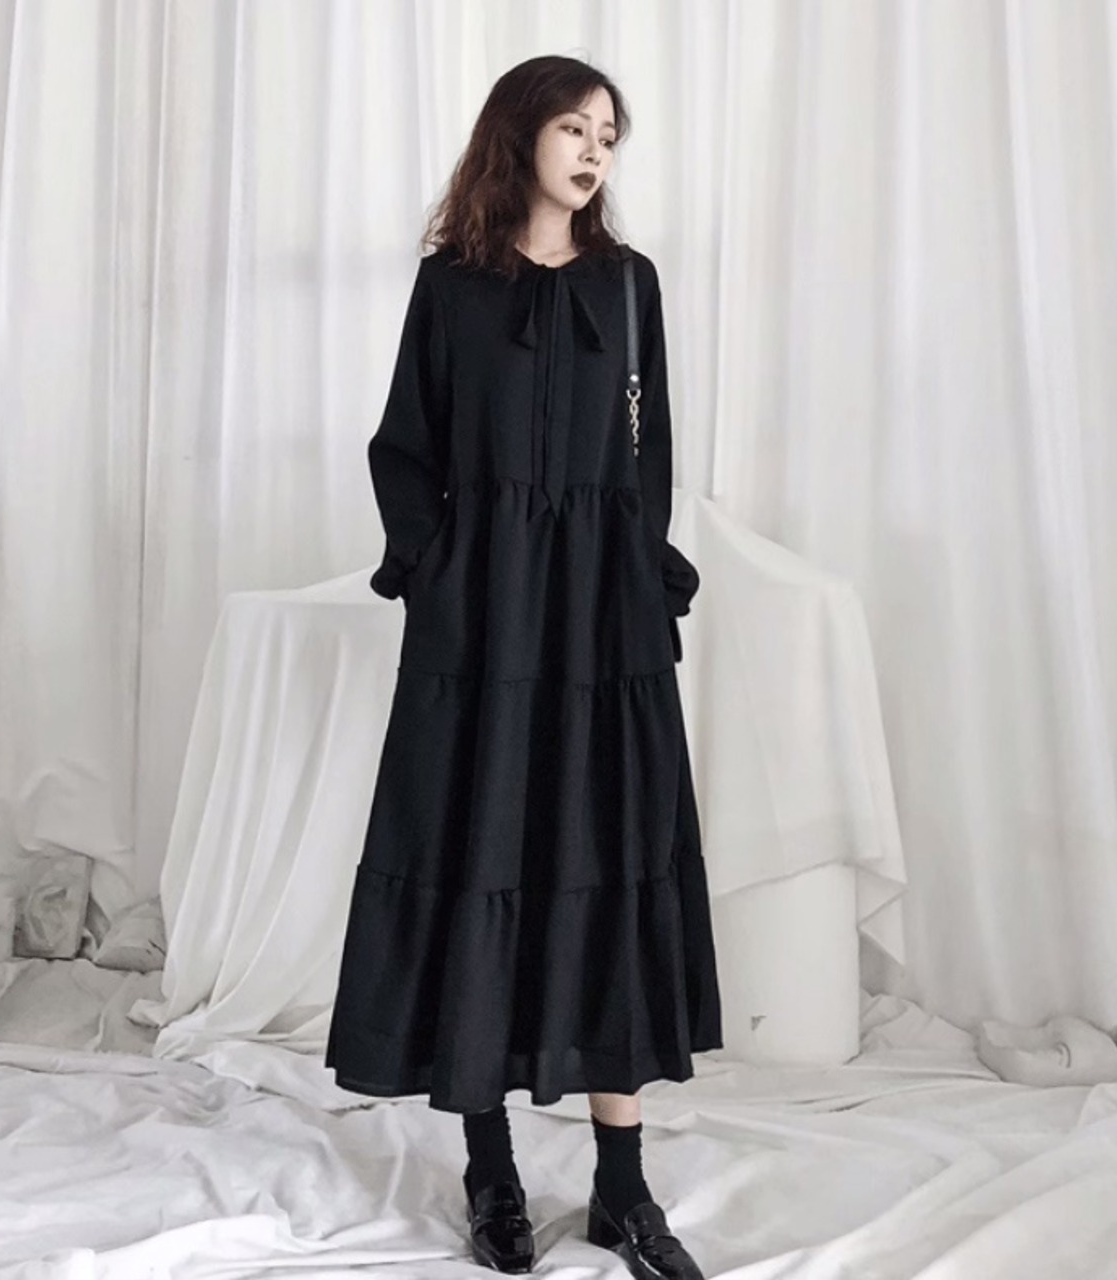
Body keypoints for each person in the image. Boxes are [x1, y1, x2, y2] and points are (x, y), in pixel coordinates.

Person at [324, 54, 720, 1279]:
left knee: (606, 859)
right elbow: (405, 444)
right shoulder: (449, 286)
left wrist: (639, 573)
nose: (594, 150)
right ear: (520, 136)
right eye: (573, 127)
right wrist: (434, 567)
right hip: (481, 616)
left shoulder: (629, 283)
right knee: (478, 853)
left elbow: (647, 457)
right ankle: (488, 1167)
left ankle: (620, 1185)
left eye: (608, 133)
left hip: (600, 616)